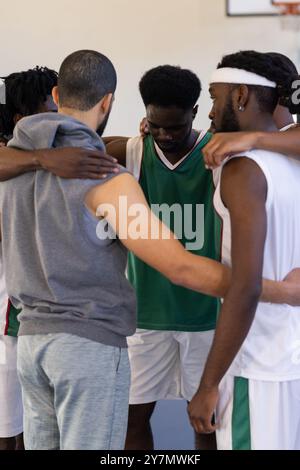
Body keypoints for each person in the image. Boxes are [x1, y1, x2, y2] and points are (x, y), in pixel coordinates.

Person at [188, 50, 300, 450]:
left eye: (215, 98)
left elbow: (246, 286)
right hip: (289, 357)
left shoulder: (244, 168)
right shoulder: (291, 159)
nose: (211, 113)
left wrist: (208, 384)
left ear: (239, 96)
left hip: (255, 365)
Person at [0, 66, 57, 451]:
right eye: (51, 106)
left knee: (44, 428)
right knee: (12, 431)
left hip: (54, 318)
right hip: (13, 316)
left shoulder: (64, 156)